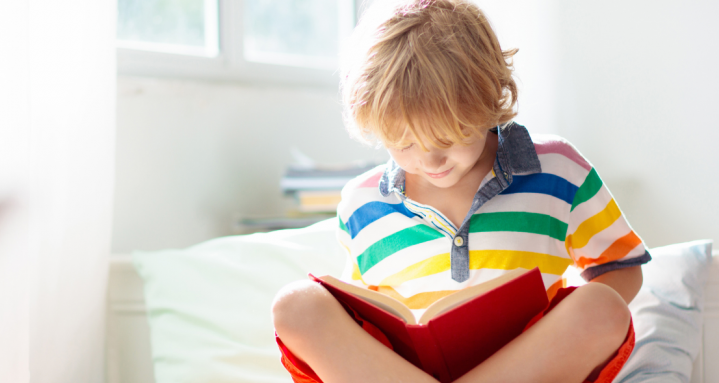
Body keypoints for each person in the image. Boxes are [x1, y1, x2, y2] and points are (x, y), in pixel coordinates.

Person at [271, 1, 651, 382]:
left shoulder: (558, 169)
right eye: (404, 145)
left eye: (447, 138)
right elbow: (363, 328)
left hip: (526, 368)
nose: (431, 161)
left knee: (603, 307)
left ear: (488, 99)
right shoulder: (361, 203)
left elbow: (622, 270)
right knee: (296, 305)